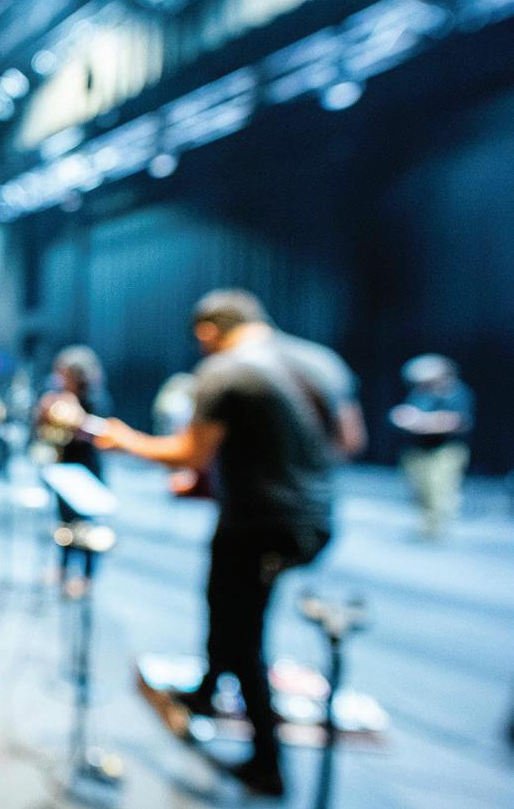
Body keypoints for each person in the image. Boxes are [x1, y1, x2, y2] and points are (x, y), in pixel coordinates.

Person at [95, 289, 364, 797]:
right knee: (222, 604)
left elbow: (191, 455)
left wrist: (123, 440)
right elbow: (350, 442)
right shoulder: (321, 362)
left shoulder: (224, 372)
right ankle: (204, 695)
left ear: (208, 331)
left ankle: (268, 765)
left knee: (242, 634)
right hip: (316, 520)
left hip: (258, 524)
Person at [36, 345, 111, 594]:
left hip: (87, 466)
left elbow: (93, 430)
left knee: (87, 525)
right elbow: (46, 428)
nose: (59, 377)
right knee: (64, 521)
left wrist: (68, 410)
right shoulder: (58, 397)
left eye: (64, 372)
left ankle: (87, 577)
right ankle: (63, 568)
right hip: (64, 464)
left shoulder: (95, 399)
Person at [391, 354, 474, 540]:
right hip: (417, 449)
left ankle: (436, 530)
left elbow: (457, 421)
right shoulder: (420, 393)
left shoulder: (455, 392)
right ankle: (425, 527)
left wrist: (423, 422)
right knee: (420, 490)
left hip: (444, 450)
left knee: (439, 489)